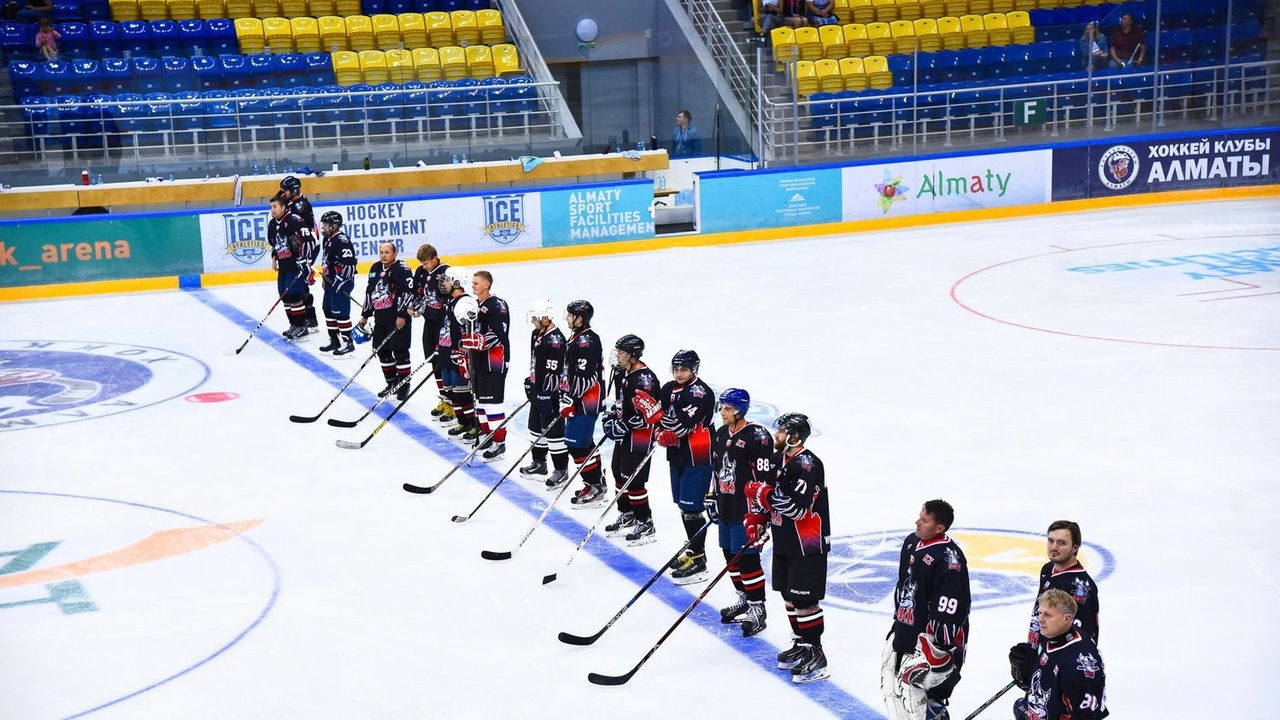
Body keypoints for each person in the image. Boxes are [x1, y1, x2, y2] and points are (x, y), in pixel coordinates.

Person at [744, 412, 831, 683]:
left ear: (794, 436)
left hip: (807, 543)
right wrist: (758, 520)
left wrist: (763, 494)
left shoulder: (807, 464)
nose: (775, 436)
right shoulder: (778, 459)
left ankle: (815, 651)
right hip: (784, 540)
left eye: (780, 432)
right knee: (789, 594)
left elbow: (796, 507)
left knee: (804, 599)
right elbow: (769, 497)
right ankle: (801, 643)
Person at [881, 499, 971, 720]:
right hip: (906, 630)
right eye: (919, 516)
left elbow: (950, 609)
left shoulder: (950, 559)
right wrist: (898, 625)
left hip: (929, 644)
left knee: (925, 701)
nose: (917, 522)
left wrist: (939, 651)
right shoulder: (912, 542)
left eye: (924, 520)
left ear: (939, 528)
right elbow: (903, 588)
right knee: (896, 696)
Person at [711, 388, 774, 636]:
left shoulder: (758, 437)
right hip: (726, 505)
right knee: (729, 555)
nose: (723, 412)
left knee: (747, 559)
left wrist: (761, 516)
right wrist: (710, 498)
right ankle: (744, 598)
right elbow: (715, 471)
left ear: (740, 410)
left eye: (727, 408)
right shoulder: (719, 434)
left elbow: (765, 479)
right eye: (722, 407)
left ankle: (758, 608)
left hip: (747, 511)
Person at [656, 349, 715, 584]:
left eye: (684, 369)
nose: (679, 373)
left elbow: (680, 426)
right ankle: (693, 551)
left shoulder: (701, 394)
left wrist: (657, 419)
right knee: (684, 507)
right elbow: (662, 424)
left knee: (693, 508)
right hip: (678, 455)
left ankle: (699, 559)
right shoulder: (668, 388)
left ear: (694, 369)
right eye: (677, 369)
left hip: (697, 456)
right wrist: (658, 429)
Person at [598, 335, 662, 544]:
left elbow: (649, 413)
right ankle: (628, 513)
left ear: (633, 356)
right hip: (625, 436)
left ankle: (645, 520)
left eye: (622, 352)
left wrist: (624, 425)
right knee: (618, 473)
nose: (617, 355)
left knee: (634, 479)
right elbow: (621, 403)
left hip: (639, 437)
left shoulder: (644, 379)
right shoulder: (623, 373)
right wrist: (611, 416)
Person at [1008, 589, 1108, 720]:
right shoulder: (1056, 635)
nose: (1040, 619)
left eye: (1048, 615)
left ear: (1067, 618)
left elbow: (1088, 716)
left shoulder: (1075, 666)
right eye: (1040, 613)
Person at [556, 300, 605, 494]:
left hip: (586, 402)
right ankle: (596, 482)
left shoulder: (587, 341)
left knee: (576, 445)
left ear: (579, 319)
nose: (567, 318)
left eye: (570, 315)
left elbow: (586, 377)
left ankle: (594, 486)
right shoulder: (577, 337)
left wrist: (572, 399)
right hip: (579, 399)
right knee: (584, 443)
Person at [520, 300, 570, 486]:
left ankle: (561, 469)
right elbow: (537, 363)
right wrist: (532, 380)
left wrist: (546, 392)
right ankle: (539, 463)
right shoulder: (537, 334)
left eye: (535, 318)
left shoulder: (555, 341)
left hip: (551, 393)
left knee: (554, 433)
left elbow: (554, 371)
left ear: (546, 317)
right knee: (534, 427)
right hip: (539, 389)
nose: (533, 321)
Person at [462, 270, 510, 461]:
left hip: (494, 362)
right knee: (481, 403)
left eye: (476, 283)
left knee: (492, 404)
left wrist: (479, 342)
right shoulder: (474, 305)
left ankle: (499, 443)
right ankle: (487, 436)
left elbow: (499, 333)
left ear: (487, 285)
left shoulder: (498, 305)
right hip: (478, 361)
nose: (472, 285)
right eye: (472, 282)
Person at [1027, 520, 1100, 646]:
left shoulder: (1080, 587)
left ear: (1075, 548)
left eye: (1061, 543)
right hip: (1042, 651)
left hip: (1058, 659)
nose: (1054, 547)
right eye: (1050, 541)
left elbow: (1082, 635)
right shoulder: (1048, 569)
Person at [358, 242, 414, 401]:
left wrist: (403, 315)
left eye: (387, 252)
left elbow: (408, 292)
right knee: (381, 350)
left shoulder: (402, 269)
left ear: (395, 253)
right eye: (381, 252)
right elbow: (370, 292)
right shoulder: (375, 268)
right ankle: (391, 383)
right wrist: (365, 315)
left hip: (397, 318)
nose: (383, 255)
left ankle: (403, 385)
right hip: (380, 318)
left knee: (400, 350)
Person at [407, 244, 453, 423]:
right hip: (429, 324)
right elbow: (416, 293)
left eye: (426, 263)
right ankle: (444, 398)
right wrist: (413, 307)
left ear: (435, 259)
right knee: (433, 361)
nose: (424, 266)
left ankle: (453, 403)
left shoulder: (446, 273)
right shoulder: (420, 271)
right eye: (422, 264)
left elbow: (449, 301)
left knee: (445, 363)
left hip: (443, 325)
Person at [267, 192, 316, 342]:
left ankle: (302, 327)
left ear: (283, 207)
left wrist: (304, 259)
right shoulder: (273, 223)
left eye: (275, 207)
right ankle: (293, 325)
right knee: (284, 296)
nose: (273, 210)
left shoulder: (295, 220)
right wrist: (274, 259)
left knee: (294, 296)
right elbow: (274, 244)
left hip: (296, 266)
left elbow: (310, 241)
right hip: (283, 266)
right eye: (271, 207)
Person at [437, 266, 478, 440]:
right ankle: (463, 421)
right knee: (451, 391)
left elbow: (470, 330)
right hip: (446, 353)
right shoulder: (449, 300)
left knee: (462, 392)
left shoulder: (465, 302)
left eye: (447, 280)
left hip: (458, 356)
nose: (443, 283)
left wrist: (463, 353)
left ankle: (472, 424)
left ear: (456, 282)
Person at [279, 175, 319, 333]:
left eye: (285, 190)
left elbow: (305, 231)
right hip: (299, 247)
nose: (283, 193)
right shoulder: (291, 201)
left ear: (293, 190)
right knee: (300, 285)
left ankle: (309, 320)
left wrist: (305, 255)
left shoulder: (300, 206)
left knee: (300, 284)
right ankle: (310, 320)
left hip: (307, 246)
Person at [317, 211, 357, 356]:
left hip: (342, 282)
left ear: (334, 226)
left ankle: (348, 343)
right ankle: (334, 340)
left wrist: (340, 281)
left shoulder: (341, 240)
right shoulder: (327, 239)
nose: (323, 227)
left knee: (340, 313)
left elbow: (350, 264)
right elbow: (327, 261)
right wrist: (325, 277)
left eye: (326, 225)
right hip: (330, 282)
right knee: (327, 309)